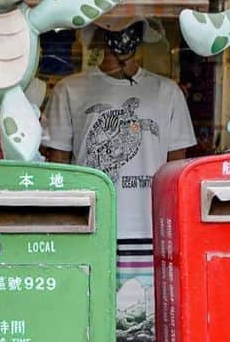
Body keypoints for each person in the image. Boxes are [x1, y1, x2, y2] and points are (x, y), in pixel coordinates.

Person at [43, 18, 196, 251]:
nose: (122, 36)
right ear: (99, 35)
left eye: (129, 29)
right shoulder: (70, 90)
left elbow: (177, 170)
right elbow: (58, 168)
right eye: (113, 28)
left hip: (150, 228)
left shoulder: (167, 92)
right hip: (89, 225)